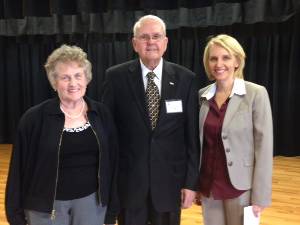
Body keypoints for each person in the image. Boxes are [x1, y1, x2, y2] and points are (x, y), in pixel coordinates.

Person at [102, 15, 200, 225]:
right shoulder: (115, 78)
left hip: (170, 184)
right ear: (134, 43)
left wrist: (191, 184)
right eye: (144, 37)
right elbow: (107, 135)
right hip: (129, 185)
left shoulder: (186, 79)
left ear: (165, 42)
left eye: (156, 36)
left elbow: (191, 138)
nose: (151, 42)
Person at [5, 44, 118, 225]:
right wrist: (15, 214)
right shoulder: (34, 119)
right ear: (54, 82)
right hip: (44, 207)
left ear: (86, 78)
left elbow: (112, 163)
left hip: (92, 204)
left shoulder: (101, 114)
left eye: (77, 76)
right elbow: (18, 169)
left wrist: (112, 208)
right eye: (65, 77)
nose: (73, 83)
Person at [197, 34, 273, 225]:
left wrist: (260, 195)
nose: (219, 63)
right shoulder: (202, 96)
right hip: (209, 186)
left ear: (237, 61)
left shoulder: (256, 93)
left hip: (241, 187)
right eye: (213, 58)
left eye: (226, 57)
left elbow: (264, 148)